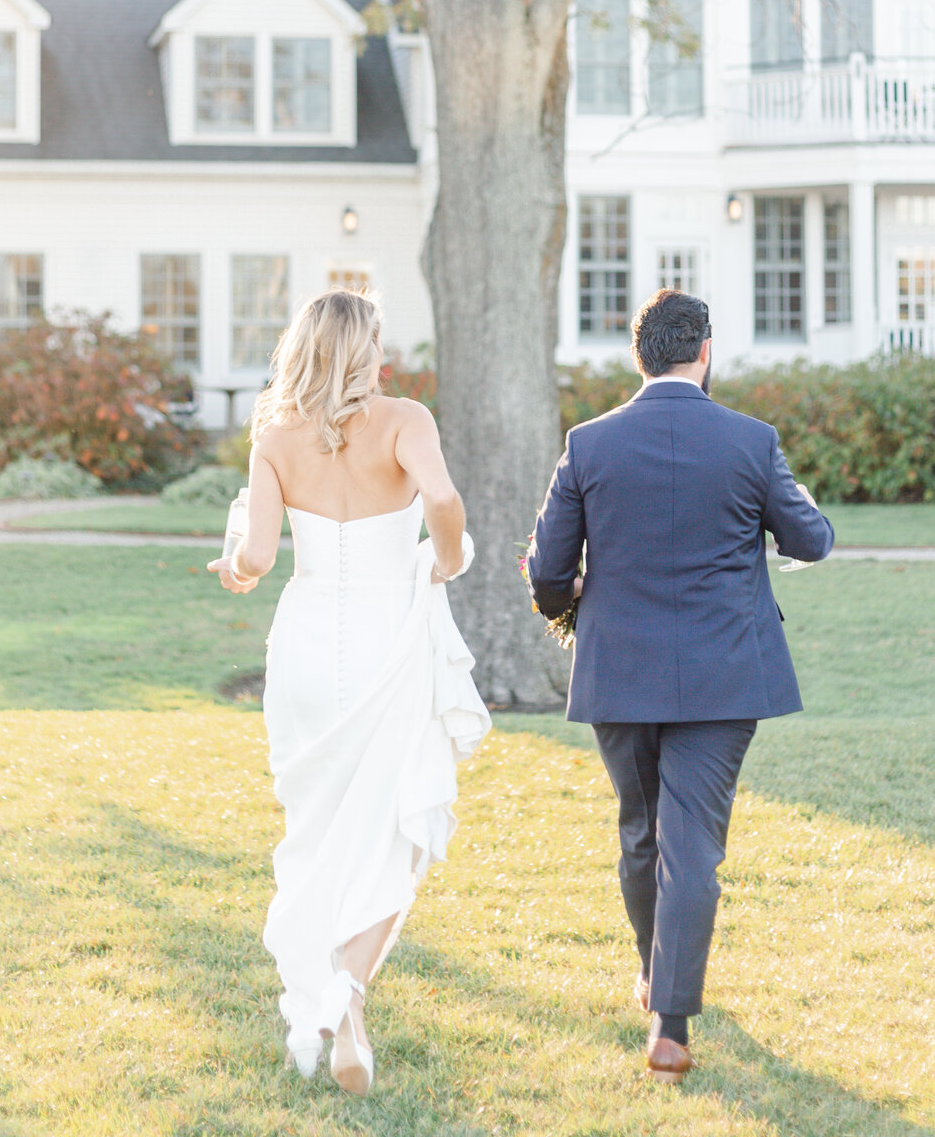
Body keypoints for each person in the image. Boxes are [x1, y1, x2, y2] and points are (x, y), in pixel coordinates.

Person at [525, 290, 833, 1087]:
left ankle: (652, 977)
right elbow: (812, 538)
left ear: (640, 356)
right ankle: (669, 1020)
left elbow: (549, 569)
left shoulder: (587, 444)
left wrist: (570, 611)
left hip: (618, 670)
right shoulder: (751, 440)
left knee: (639, 830)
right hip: (725, 674)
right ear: (703, 352)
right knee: (690, 841)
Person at [208, 288, 490, 1095]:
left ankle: (334, 1012)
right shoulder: (406, 422)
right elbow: (441, 501)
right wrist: (447, 559)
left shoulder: (275, 434)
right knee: (393, 829)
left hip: (301, 648)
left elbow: (257, 558)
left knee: (317, 827)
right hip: (384, 644)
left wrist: (234, 571)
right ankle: (346, 990)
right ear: (365, 350)